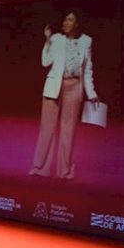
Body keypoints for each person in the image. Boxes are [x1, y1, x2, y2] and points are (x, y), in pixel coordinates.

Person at [30, 10, 98, 179]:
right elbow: (45, 62)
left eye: (70, 20)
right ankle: (39, 168)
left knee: (69, 130)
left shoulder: (86, 41)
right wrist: (47, 41)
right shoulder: (56, 39)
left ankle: (65, 171)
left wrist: (92, 93)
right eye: (65, 20)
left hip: (74, 87)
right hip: (54, 86)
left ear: (77, 23)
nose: (66, 23)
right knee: (47, 128)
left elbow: (87, 69)